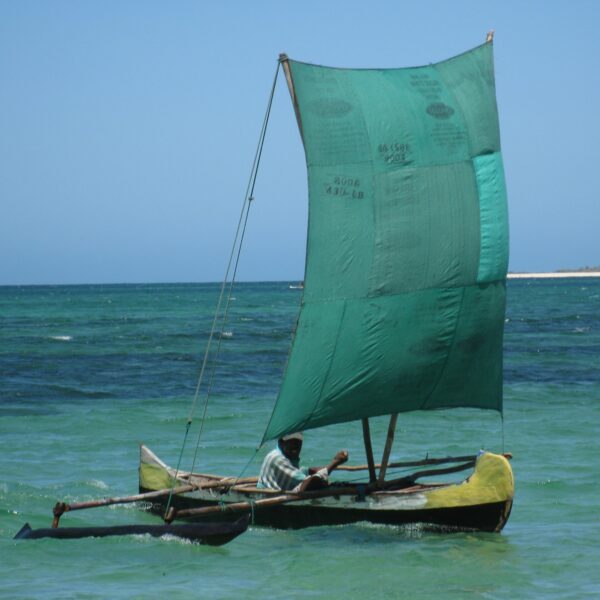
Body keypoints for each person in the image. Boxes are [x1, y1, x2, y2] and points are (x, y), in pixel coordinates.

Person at [257, 432, 349, 492]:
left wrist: (316, 471)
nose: (296, 445)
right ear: (281, 442)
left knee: (313, 471)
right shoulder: (278, 458)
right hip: (270, 495)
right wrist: (334, 463)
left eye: (298, 441)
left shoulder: (286, 454)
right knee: (314, 481)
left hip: (283, 488)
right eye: (291, 441)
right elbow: (307, 481)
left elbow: (299, 471)